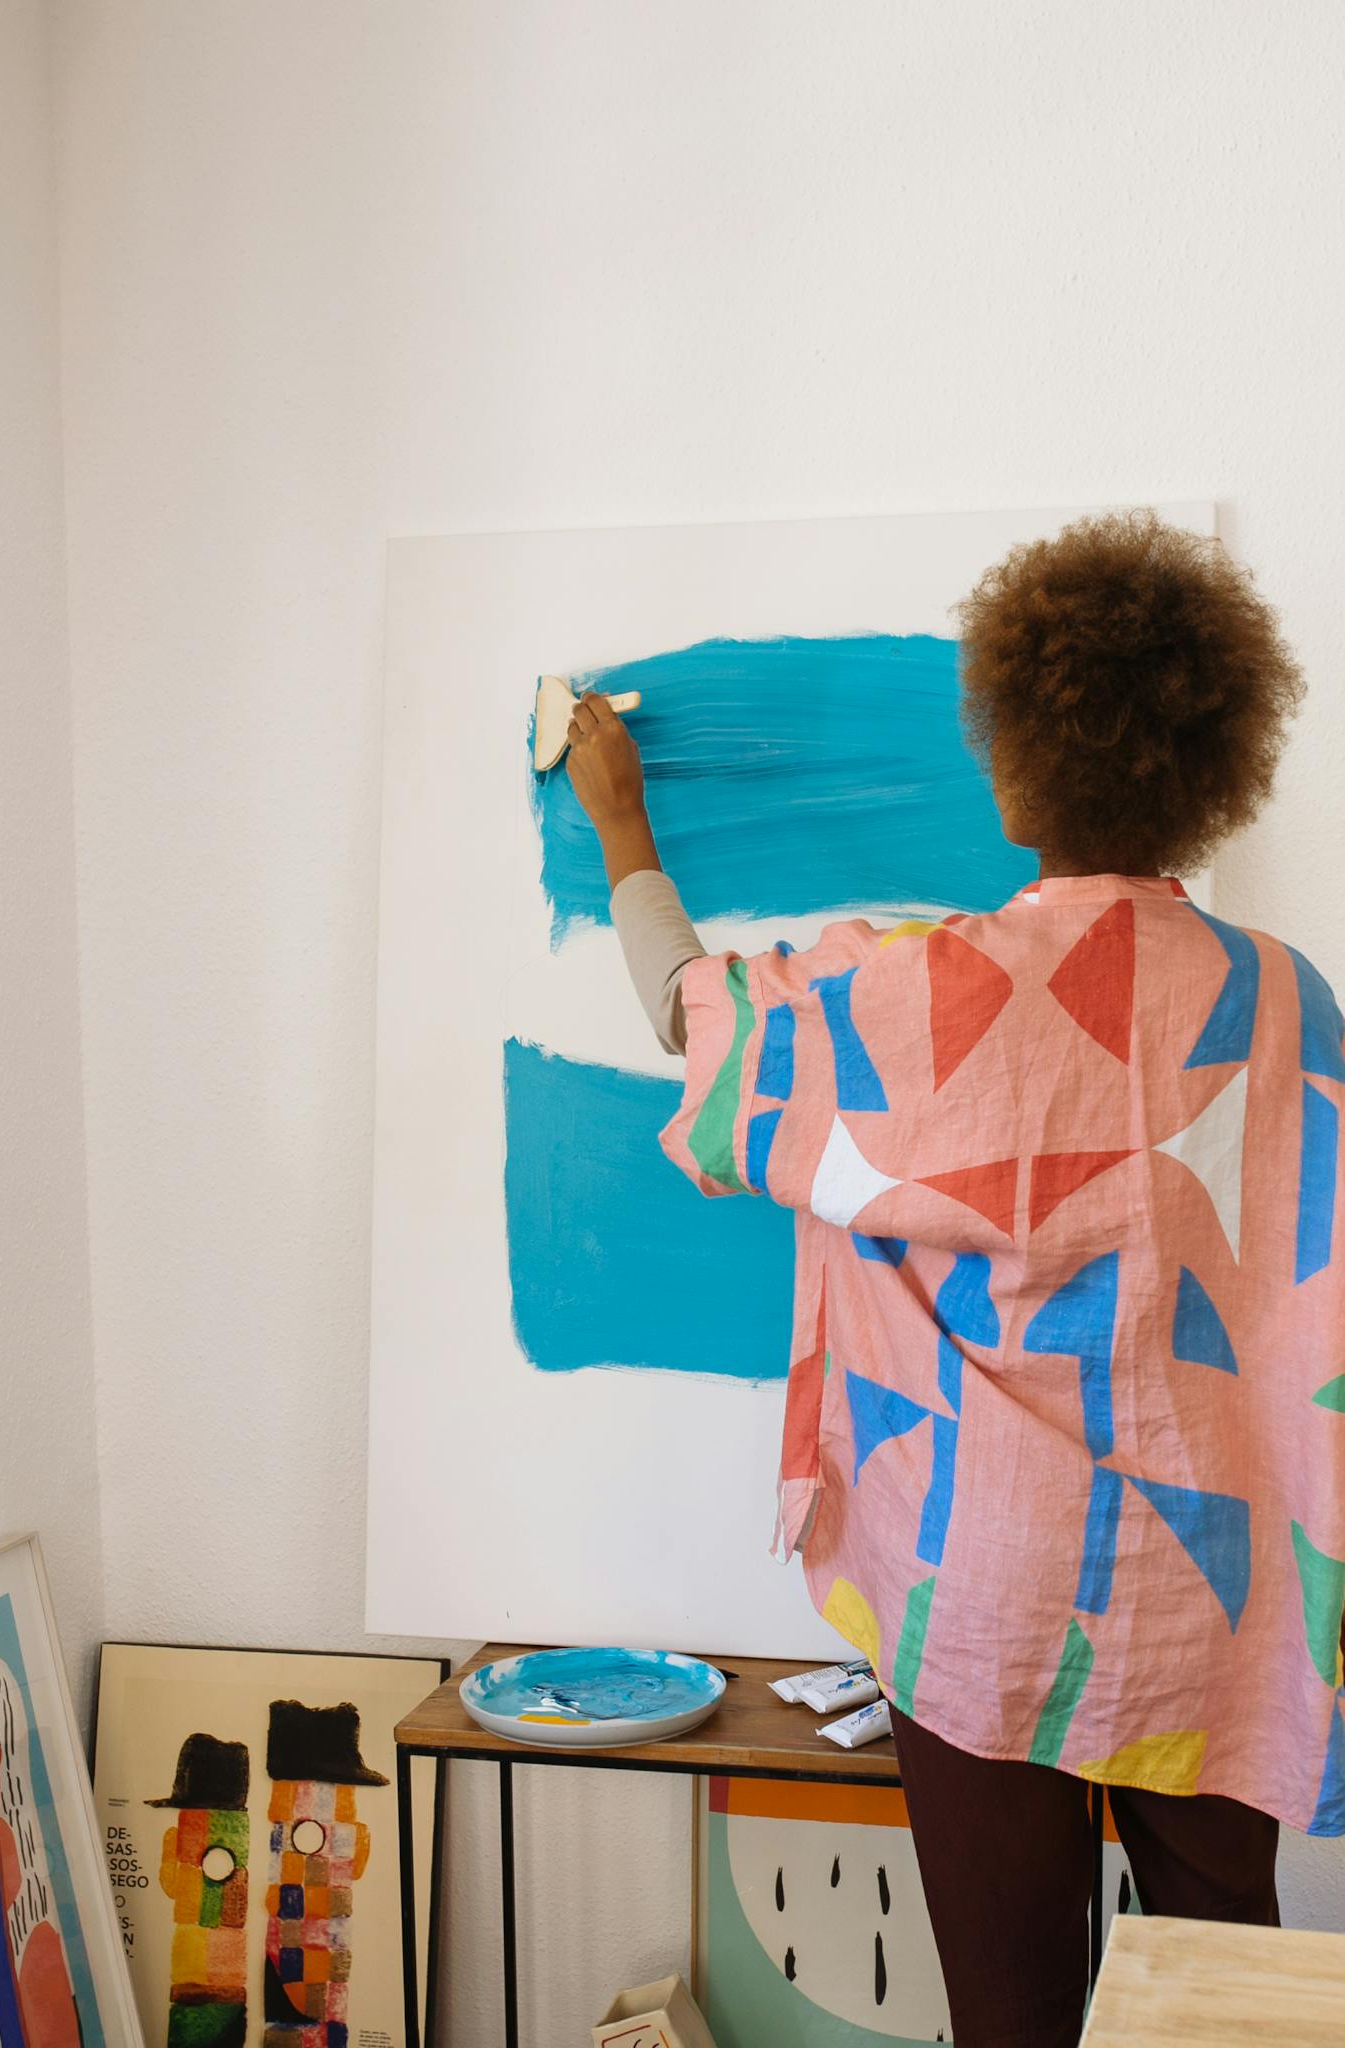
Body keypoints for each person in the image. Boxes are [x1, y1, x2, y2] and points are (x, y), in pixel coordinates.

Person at [564, 511, 1344, 2048]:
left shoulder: (908, 992)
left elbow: (694, 1025)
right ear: (1215, 767)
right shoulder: (1291, 1002)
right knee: (1229, 2004)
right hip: (1219, 1597)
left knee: (1013, 2011)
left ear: (1011, 766)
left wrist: (622, 830)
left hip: (988, 1610)